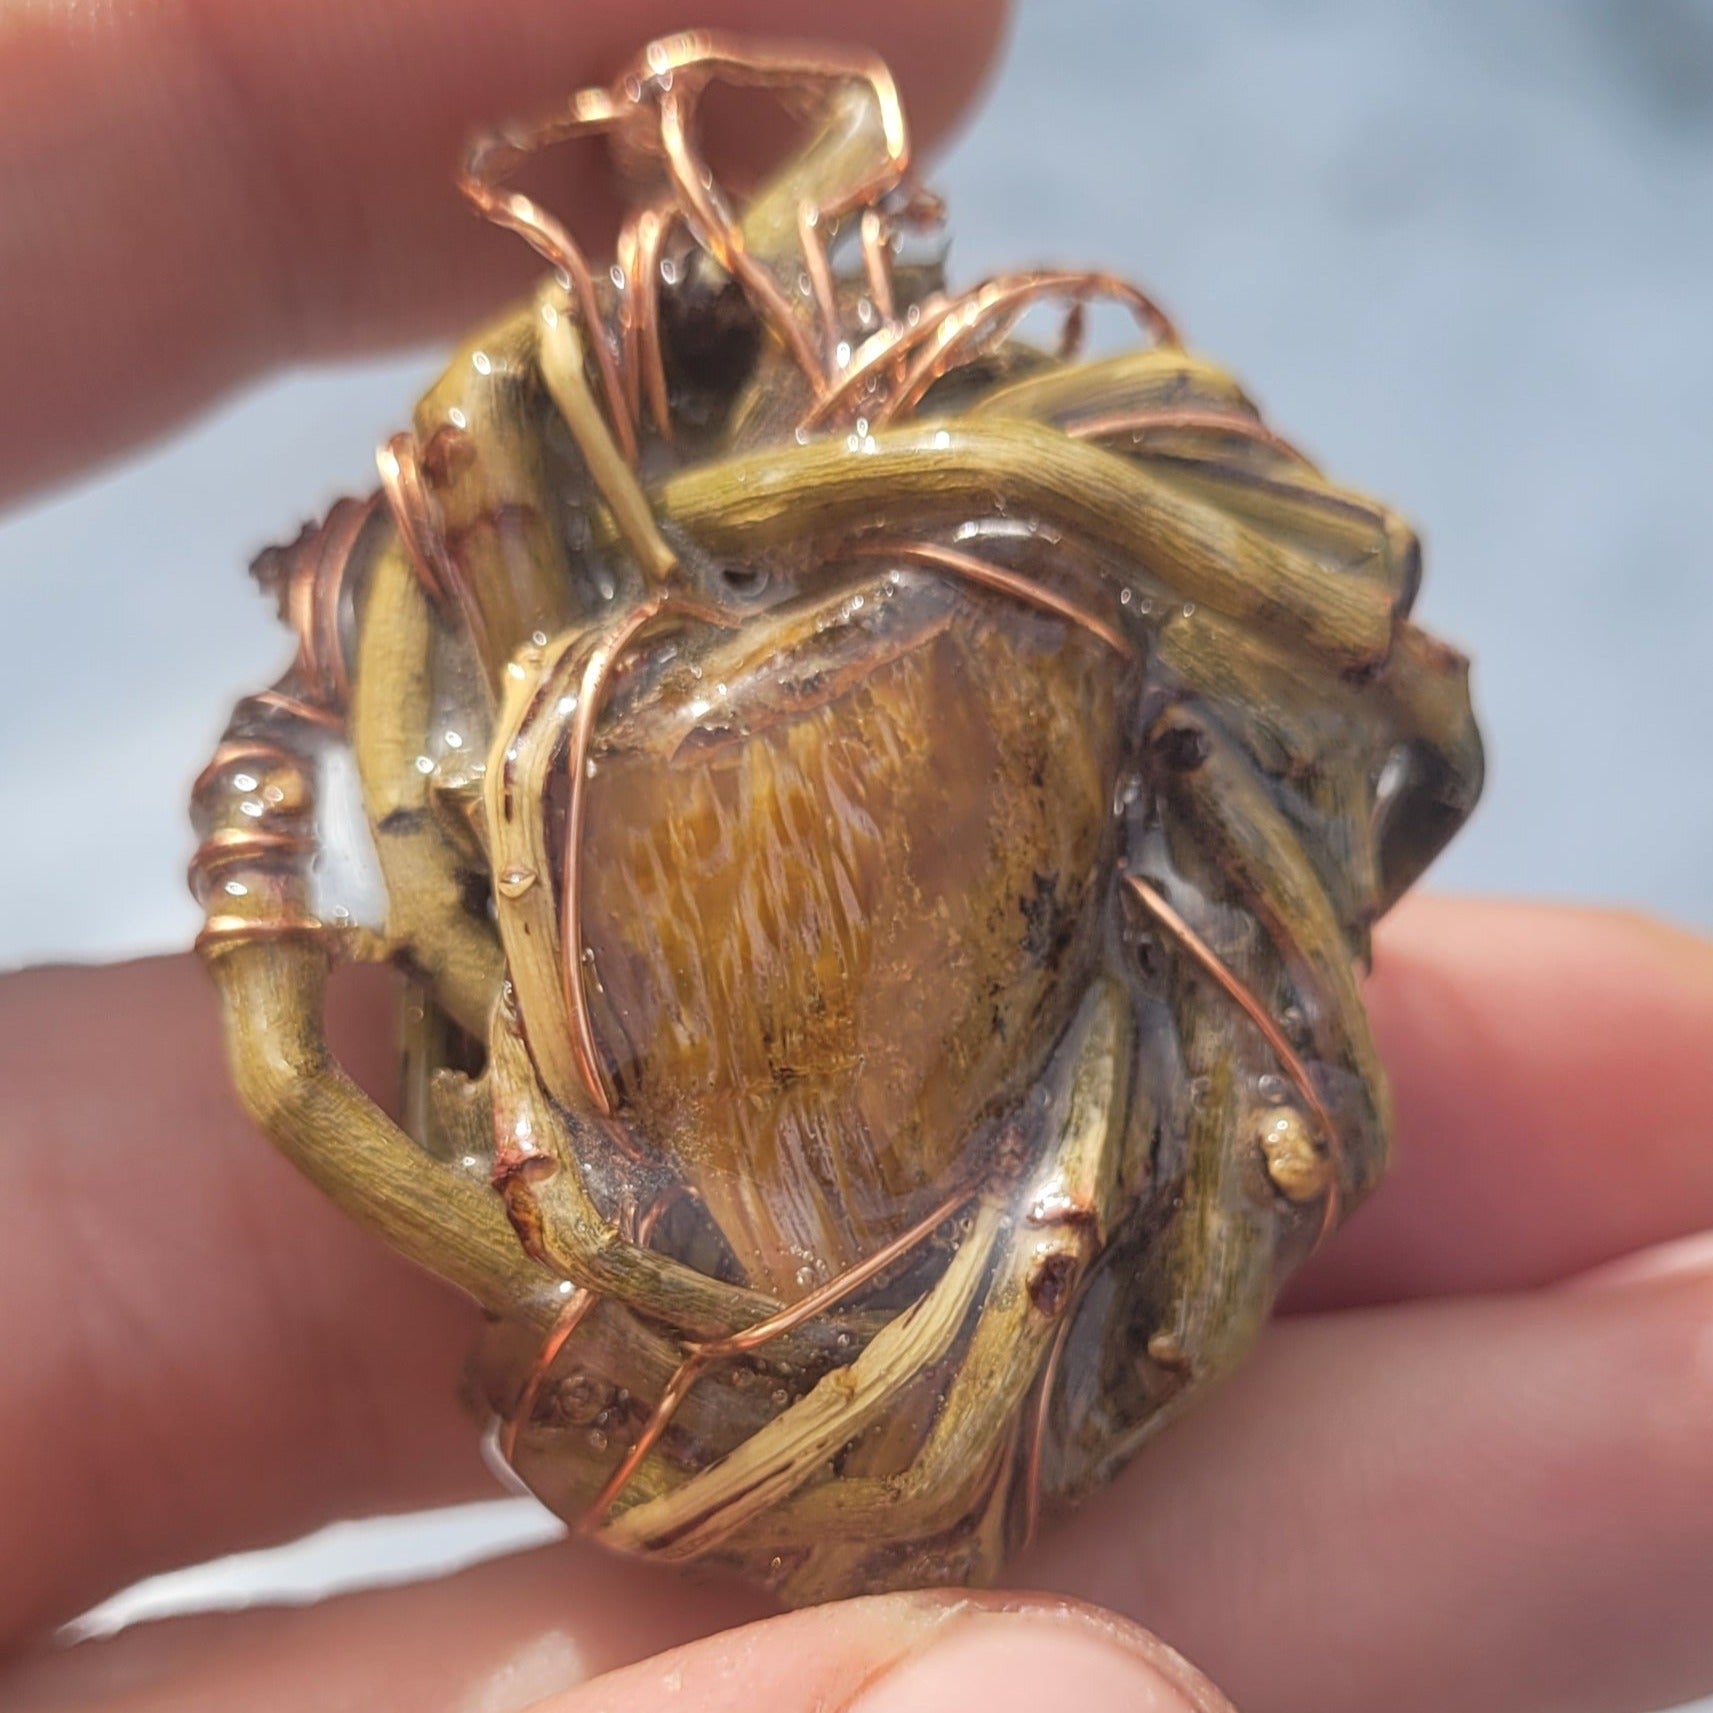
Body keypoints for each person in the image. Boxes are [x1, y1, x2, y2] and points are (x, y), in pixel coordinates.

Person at [1, 3, 1709, 1709]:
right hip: (802, 1359)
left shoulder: (989, 615)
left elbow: (1366, 716)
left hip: (922, 1319)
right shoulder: (585, 630)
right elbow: (321, 1069)